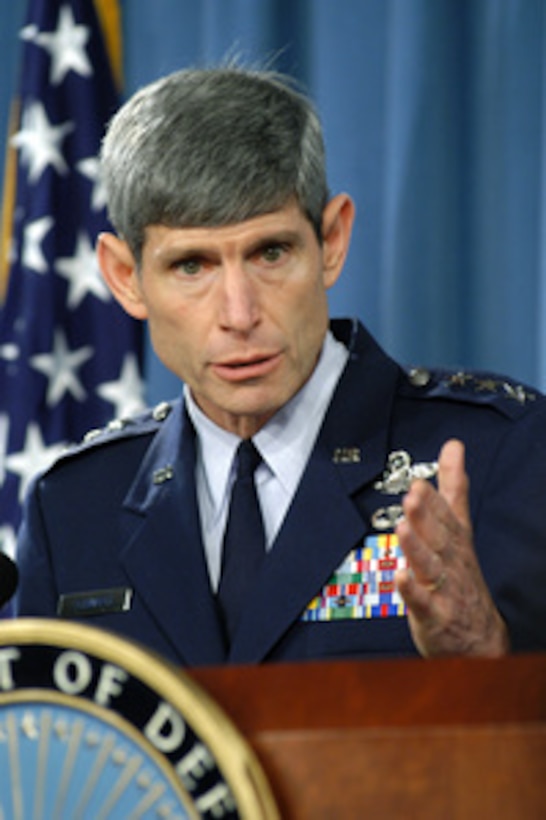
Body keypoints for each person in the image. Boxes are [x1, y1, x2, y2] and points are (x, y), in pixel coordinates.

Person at [14, 66, 546, 666]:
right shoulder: (73, 508)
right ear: (124, 278)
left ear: (332, 241)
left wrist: (487, 657)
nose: (239, 314)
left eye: (271, 252)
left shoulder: (504, 455)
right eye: (192, 266)